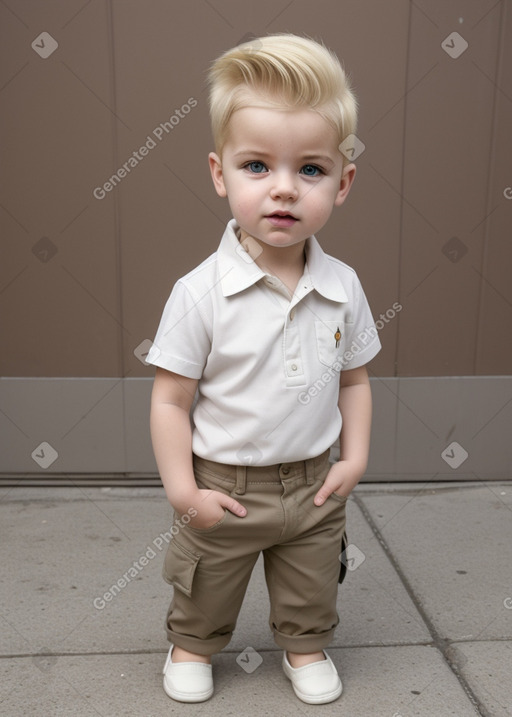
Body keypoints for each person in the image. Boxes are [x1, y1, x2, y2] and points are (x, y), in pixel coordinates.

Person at [147, 33, 381, 705]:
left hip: (313, 483)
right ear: (220, 173)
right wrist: (184, 491)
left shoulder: (343, 286)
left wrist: (353, 458)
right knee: (206, 582)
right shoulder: (200, 293)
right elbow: (170, 400)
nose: (283, 189)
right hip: (224, 483)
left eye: (310, 169)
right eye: (257, 166)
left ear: (343, 181)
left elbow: (355, 378)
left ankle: (304, 648)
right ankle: (190, 645)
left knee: (311, 581)